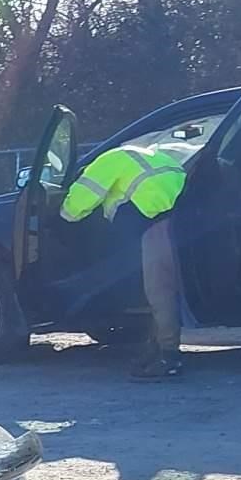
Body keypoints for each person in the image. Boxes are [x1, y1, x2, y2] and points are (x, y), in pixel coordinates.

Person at [60, 139, 191, 379]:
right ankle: (156, 348)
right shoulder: (151, 156)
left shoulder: (106, 162)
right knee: (165, 290)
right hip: (186, 222)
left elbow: (74, 208)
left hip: (156, 222)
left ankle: (169, 358)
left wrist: (62, 208)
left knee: (159, 291)